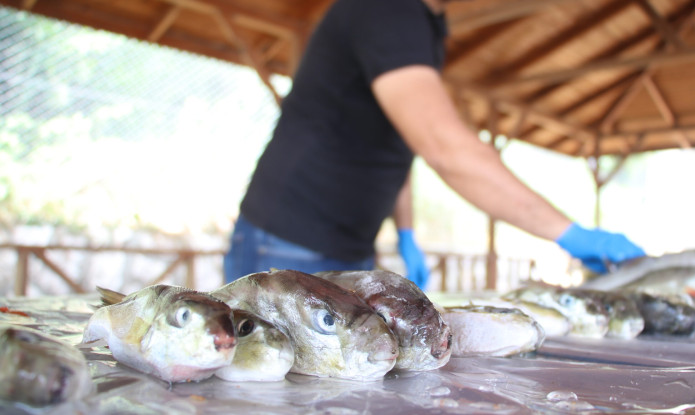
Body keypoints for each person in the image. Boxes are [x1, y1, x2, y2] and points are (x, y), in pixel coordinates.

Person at [224, 0, 645, 287]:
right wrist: (567, 232)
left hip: (350, 246)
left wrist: (406, 232)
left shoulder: (424, 25)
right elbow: (443, 145)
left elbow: (399, 145)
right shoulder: (387, 8)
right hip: (286, 240)